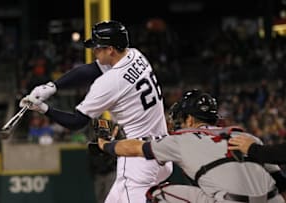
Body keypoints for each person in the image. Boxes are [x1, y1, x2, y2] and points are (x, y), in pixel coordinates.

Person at [20, 20, 173, 203]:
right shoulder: (135, 55)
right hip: (162, 151)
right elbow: (91, 70)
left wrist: (44, 108)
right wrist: (53, 86)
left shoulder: (109, 83)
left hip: (138, 158)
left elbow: (77, 122)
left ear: (110, 50)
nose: (94, 51)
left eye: (98, 48)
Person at [98, 89, 286, 203]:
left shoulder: (181, 139)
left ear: (189, 118)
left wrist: (106, 145)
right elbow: (281, 182)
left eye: (181, 118)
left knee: (157, 192)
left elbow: (135, 148)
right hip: (272, 199)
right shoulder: (246, 136)